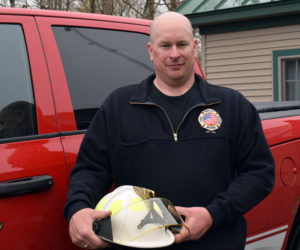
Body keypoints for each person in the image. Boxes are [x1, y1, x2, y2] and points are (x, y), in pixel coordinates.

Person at [64, 11, 275, 250]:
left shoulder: (232, 106)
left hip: (216, 241)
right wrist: (78, 208)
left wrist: (213, 214)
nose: (174, 54)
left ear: (195, 47)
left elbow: (259, 173)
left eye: (182, 44)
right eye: (165, 45)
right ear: (150, 50)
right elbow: (90, 171)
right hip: (137, 244)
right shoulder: (118, 107)